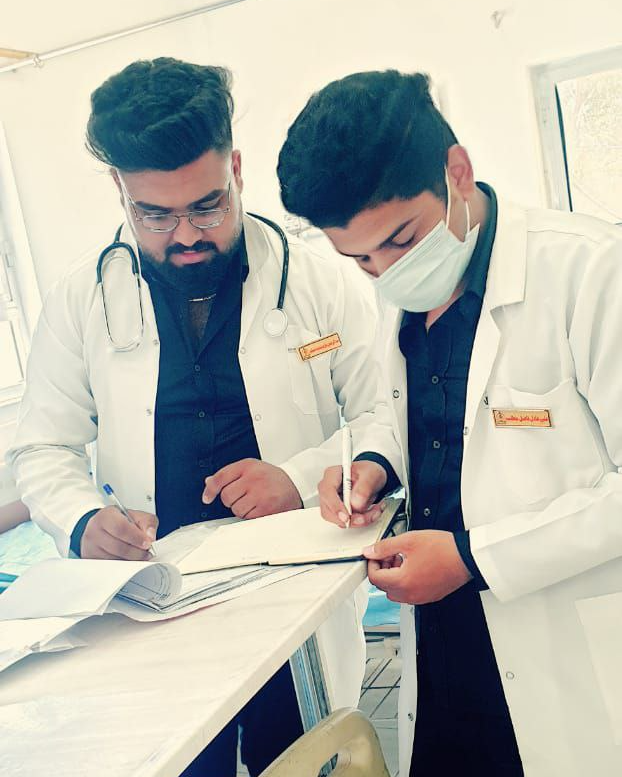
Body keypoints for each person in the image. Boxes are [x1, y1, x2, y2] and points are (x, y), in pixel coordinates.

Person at [7, 59, 401, 777]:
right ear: (120, 192)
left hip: (289, 598)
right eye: (155, 215)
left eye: (207, 207)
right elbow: (42, 448)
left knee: (307, 756)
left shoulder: (317, 279)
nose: (185, 234)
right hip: (156, 605)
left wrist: (298, 476)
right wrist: (83, 519)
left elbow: (384, 408)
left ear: (236, 170)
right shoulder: (80, 301)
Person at [276, 69, 622, 777]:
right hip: (444, 649)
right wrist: (373, 462)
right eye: (359, 259)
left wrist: (473, 558)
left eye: (401, 240)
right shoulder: (401, 293)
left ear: (456, 173)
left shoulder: (590, 273)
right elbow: (412, 413)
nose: (385, 273)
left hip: (563, 647)